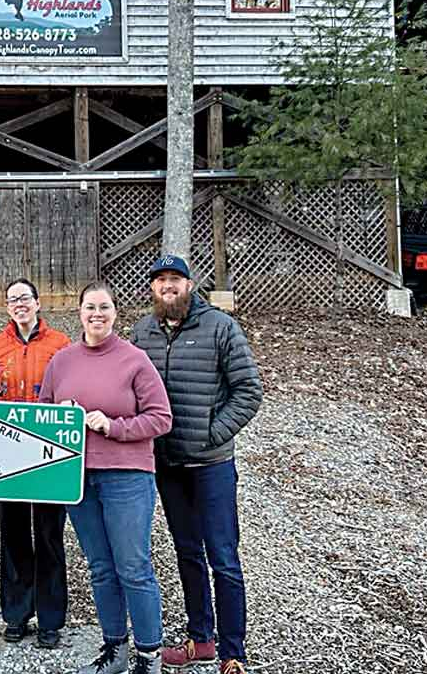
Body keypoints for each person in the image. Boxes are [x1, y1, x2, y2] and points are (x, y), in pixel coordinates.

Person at [130, 256, 263, 674]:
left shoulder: (220, 327)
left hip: (211, 464)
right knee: (186, 552)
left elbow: (248, 391)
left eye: (175, 279)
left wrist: (210, 433)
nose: (167, 287)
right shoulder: (142, 332)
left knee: (223, 555)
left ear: (190, 284)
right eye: (160, 280)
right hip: (167, 463)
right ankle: (200, 639)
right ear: (152, 288)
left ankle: (233, 651)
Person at [39, 281, 172, 674]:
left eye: (104, 307)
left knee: (133, 566)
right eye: (90, 307)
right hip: (78, 479)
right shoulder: (61, 361)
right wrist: (59, 415)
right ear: (79, 312)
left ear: (115, 312)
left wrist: (113, 426)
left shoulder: (134, 360)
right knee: (100, 566)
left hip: (126, 477)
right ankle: (115, 648)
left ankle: (149, 654)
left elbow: (161, 418)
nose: (97, 314)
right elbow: (42, 416)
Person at [0, 278, 72, 649]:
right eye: (13, 299)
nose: (20, 304)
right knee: (14, 536)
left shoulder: (60, 344)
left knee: (49, 537)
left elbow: (71, 389)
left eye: (25, 298)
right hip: (6, 456)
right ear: (6, 307)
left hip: (49, 455)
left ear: (38, 302)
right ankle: (16, 614)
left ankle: (50, 619)